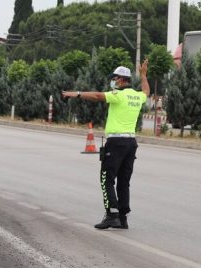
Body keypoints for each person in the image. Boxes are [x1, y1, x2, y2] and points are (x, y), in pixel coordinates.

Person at [62, 59, 149, 230]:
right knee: (124, 181)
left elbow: (97, 96)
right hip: (131, 143)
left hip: (116, 142)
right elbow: (146, 90)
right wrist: (144, 75)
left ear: (122, 79)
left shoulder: (118, 95)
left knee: (106, 179)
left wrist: (77, 93)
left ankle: (112, 215)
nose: (113, 81)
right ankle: (123, 219)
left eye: (115, 78)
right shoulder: (137, 96)